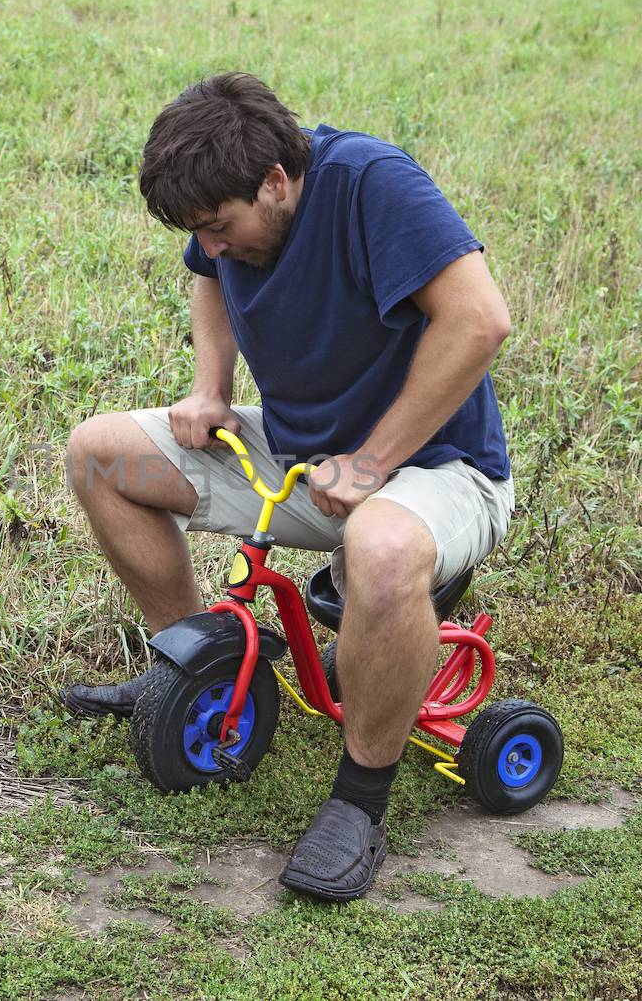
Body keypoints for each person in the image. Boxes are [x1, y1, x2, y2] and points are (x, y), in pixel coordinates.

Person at [62, 73, 515, 901]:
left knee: (378, 546)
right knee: (100, 453)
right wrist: (209, 385)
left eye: (221, 225)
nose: (213, 244)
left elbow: (480, 319)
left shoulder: (372, 183)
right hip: (308, 460)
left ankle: (359, 802)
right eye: (201, 230)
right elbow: (209, 270)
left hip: (438, 469)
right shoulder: (234, 214)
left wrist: (375, 463)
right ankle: (195, 667)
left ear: (275, 181)